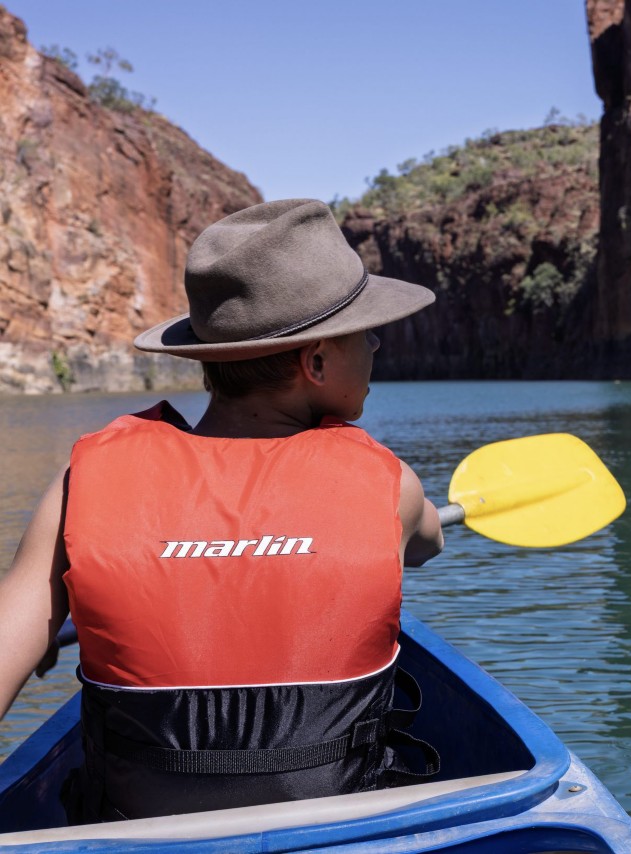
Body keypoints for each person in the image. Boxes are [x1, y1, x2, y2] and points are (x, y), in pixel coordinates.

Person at [0, 198, 445, 822]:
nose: (375, 345)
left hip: (135, 829)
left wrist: (56, 611)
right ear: (314, 362)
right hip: (333, 829)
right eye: (363, 332)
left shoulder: (83, 486)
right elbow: (428, 542)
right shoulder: (391, 487)